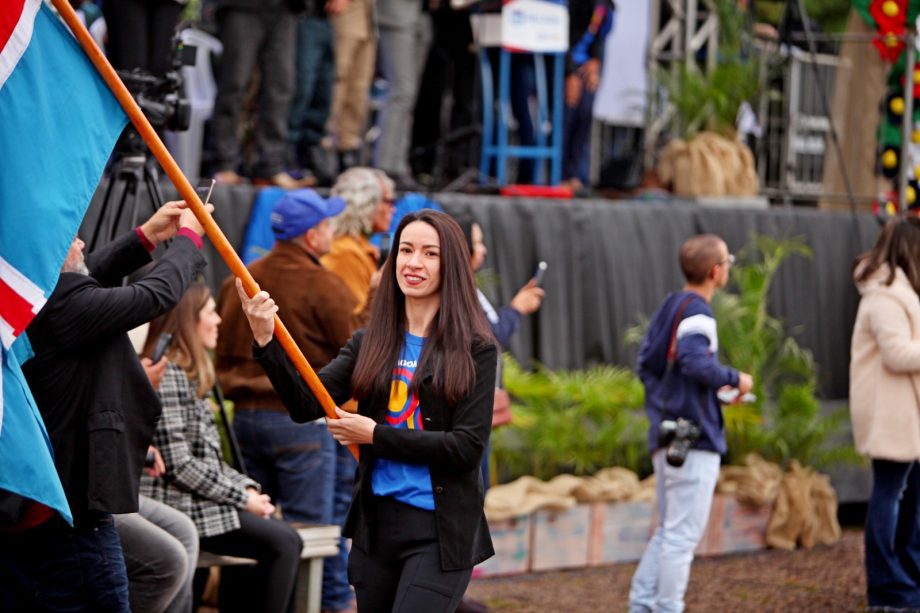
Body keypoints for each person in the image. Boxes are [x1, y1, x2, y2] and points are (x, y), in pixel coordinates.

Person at [236, 209, 497, 612]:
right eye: (405, 250)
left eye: (430, 254)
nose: (414, 262)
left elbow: (466, 448)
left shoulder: (475, 349)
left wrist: (374, 435)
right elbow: (307, 404)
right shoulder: (369, 343)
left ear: (453, 266)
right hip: (377, 528)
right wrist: (266, 340)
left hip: (440, 532)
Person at [0, 201, 210, 611]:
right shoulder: (64, 306)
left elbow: (85, 271)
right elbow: (157, 294)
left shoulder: (28, 297)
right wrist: (189, 237)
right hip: (70, 516)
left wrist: (146, 236)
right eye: (70, 237)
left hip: (40, 501)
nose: (80, 240)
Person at [215, 189, 372, 613]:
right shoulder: (324, 284)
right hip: (301, 424)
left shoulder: (243, 279)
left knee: (251, 526)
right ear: (311, 235)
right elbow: (356, 348)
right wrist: (375, 301)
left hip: (243, 418)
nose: (332, 232)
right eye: (327, 225)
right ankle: (325, 605)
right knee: (316, 532)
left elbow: (219, 344)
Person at [141, 284, 303, 613]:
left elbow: (209, 460)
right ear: (188, 321)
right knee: (285, 542)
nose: (218, 320)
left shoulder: (190, 375)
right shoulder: (168, 373)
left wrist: (247, 488)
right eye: (210, 312)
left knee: (280, 536)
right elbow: (179, 465)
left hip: (198, 502)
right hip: (179, 506)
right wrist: (243, 498)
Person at [629, 234, 753, 613]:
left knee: (669, 532)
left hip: (667, 433)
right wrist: (735, 379)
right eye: (727, 261)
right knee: (681, 537)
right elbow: (695, 362)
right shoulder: (699, 311)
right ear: (716, 272)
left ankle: (642, 604)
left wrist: (700, 396)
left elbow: (648, 366)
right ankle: (665, 608)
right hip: (693, 439)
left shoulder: (671, 305)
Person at [850, 216, 920, 611]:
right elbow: (897, 355)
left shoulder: (901, 292)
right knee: (890, 497)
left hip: (908, 415)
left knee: (911, 503)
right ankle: (889, 589)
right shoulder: (884, 296)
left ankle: (907, 580)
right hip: (892, 416)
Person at [211, 0, 312, 188]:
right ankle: (225, 163)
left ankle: (271, 166)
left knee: (281, 87)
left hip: (284, 9)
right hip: (243, 7)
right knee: (234, 85)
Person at [322, 167, 396, 315]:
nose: (393, 209)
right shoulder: (346, 254)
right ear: (365, 203)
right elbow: (356, 322)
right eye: (388, 201)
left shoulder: (358, 248)